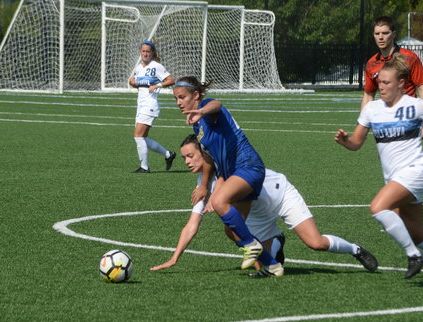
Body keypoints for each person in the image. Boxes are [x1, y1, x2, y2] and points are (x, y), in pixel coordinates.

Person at [150, 135, 379, 274]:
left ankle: (355, 249)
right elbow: (192, 225)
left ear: (205, 154)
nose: (187, 161)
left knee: (315, 243)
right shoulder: (202, 183)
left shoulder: (226, 164)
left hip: (280, 194)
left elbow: (226, 181)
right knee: (255, 258)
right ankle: (276, 243)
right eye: (184, 158)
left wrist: (216, 194)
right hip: (258, 213)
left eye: (191, 156)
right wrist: (174, 257)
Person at [334, 54, 423, 283]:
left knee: (378, 207)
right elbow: (356, 143)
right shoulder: (371, 109)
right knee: (416, 234)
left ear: (400, 83)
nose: (381, 87)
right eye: (379, 82)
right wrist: (345, 141)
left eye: (386, 82)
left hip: (415, 171)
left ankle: (414, 256)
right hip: (394, 178)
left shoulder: (416, 105)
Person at [172, 76, 283, 277]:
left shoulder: (206, 108)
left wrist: (201, 111)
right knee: (231, 230)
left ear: (195, 95)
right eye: (176, 99)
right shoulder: (197, 125)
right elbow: (208, 158)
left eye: (182, 97)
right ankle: (273, 266)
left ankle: (252, 245)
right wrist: (204, 184)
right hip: (236, 172)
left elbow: (218, 104)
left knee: (219, 201)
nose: (178, 102)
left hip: (248, 164)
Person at [362, 16, 423, 138]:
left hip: (409, 119)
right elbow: (368, 95)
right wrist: (362, 125)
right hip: (385, 121)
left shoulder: (409, 58)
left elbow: (421, 87)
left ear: (393, 34)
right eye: (377, 34)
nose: (381, 37)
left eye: (385, 33)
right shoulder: (371, 63)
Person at [128, 40, 176, 173]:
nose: (145, 54)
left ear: (152, 53)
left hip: (150, 106)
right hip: (141, 106)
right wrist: (132, 82)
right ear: (140, 52)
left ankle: (144, 167)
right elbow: (135, 82)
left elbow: (171, 80)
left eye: (148, 51)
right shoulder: (139, 68)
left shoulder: (156, 66)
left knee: (138, 136)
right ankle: (168, 154)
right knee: (143, 138)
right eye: (143, 51)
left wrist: (157, 85)